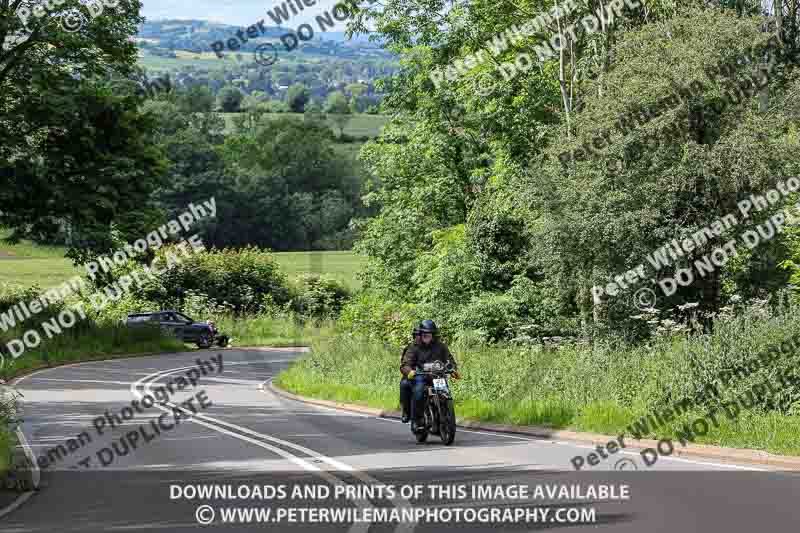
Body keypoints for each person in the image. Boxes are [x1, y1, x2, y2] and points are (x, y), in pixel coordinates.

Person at [400, 319, 460, 432]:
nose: (427, 336)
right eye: (424, 334)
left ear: (433, 334)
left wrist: (453, 370)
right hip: (421, 377)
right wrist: (410, 371)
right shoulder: (414, 347)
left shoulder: (440, 346)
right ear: (421, 334)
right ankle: (418, 420)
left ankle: (444, 416)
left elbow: (449, 359)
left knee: (445, 392)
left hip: (437, 377)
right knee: (418, 391)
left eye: (430, 334)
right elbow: (405, 364)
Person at [399, 326, 420, 423]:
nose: (420, 337)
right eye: (418, 335)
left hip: (431, 375)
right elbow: (404, 364)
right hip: (414, 375)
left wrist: (451, 368)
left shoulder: (434, 347)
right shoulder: (410, 348)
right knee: (404, 384)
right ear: (414, 336)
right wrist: (409, 371)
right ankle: (406, 411)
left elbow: (445, 358)